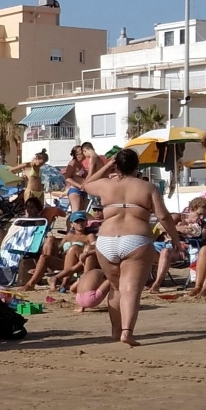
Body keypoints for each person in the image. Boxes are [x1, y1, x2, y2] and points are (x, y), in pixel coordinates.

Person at [78, 147, 169, 346]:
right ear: (137, 166)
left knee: (115, 288)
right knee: (131, 289)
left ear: (117, 165)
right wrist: (176, 240)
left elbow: (86, 184)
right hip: (135, 239)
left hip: (106, 240)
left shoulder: (106, 185)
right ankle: (127, 332)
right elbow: (163, 216)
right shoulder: (148, 187)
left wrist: (108, 165)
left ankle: (115, 330)